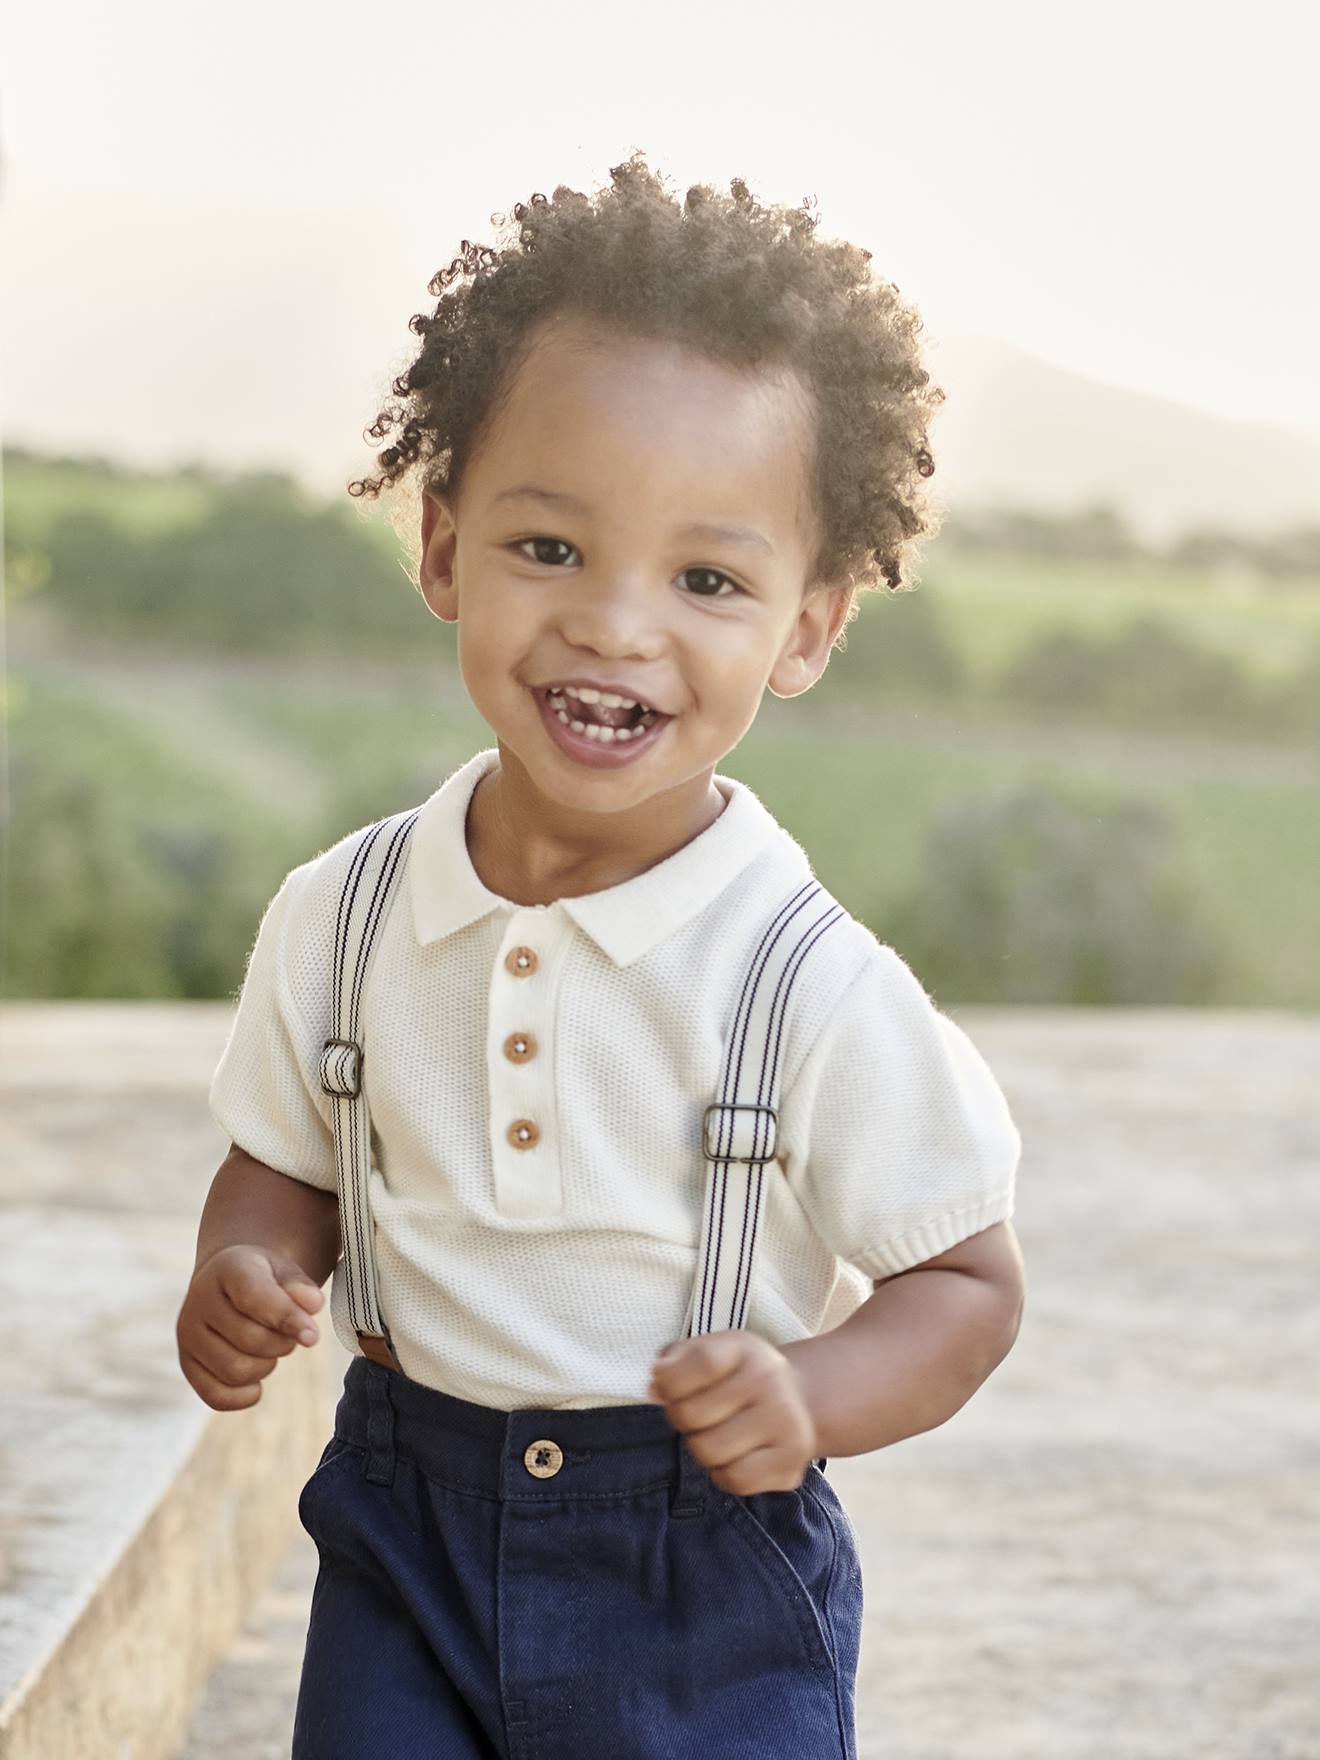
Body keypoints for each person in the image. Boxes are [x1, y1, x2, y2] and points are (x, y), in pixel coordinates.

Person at [176, 152, 1026, 1759]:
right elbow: (281, 1163)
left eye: (707, 579)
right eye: (550, 549)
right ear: (441, 548)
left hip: (701, 1580)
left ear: (807, 631)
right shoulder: (345, 917)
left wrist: (815, 1399)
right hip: (403, 1552)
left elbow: (966, 1285)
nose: (617, 626)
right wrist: (248, 1271)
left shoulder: (805, 982)